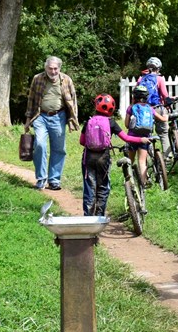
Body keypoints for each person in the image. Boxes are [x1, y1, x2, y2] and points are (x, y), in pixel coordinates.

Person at [80, 93, 150, 216]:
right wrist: (141, 140)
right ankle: (100, 216)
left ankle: (87, 217)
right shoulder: (111, 122)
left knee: (89, 187)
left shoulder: (89, 121)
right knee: (103, 186)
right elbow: (126, 137)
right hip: (103, 157)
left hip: (89, 157)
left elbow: (82, 141)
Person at [24, 56, 79, 190]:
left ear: (59, 68)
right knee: (40, 144)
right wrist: (27, 120)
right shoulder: (37, 79)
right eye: (50, 68)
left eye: (55, 68)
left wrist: (73, 118)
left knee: (59, 149)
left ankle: (54, 180)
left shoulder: (66, 79)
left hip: (59, 117)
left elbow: (73, 99)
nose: (53, 71)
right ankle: (41, 178)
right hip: (40, 116)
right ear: (45, 67)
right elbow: (31, 99)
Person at [124, 84, 168, 186]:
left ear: (134, 96)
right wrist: (166, 117)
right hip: (145, 137)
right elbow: (162, 119)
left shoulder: (131, 108)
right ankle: (143, 184)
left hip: (132, 137)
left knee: (130, 160)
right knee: (142, 161)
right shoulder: (149, 108)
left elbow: (126, 125)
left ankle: (129, 183)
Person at [136, 57, 171, 159]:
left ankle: (149, 157)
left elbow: (135, 95)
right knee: (164, 133)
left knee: (147, 133)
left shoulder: (140, 79)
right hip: (157, 109)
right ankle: (167, 157)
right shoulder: (159, 79)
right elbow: (165, 95)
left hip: (144, 110)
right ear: (158, 68)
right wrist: (167, 105)